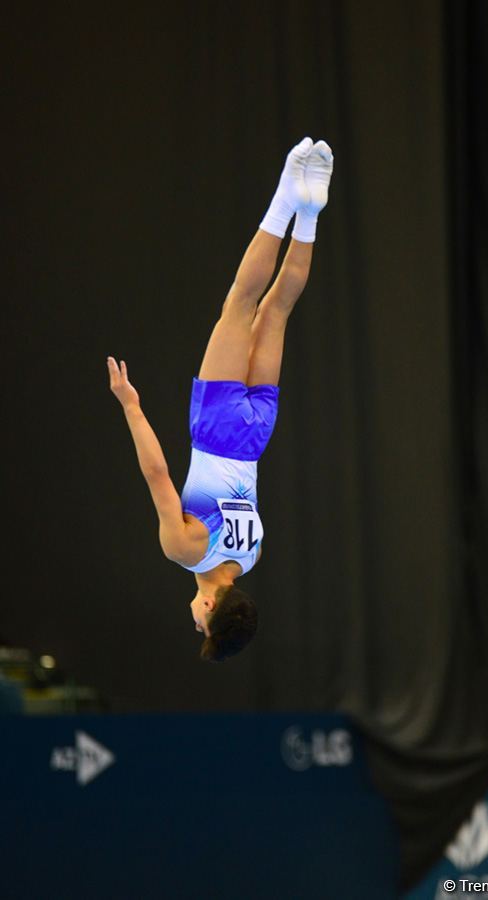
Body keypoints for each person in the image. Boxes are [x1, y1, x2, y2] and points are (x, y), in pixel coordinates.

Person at [107, 137, 334, 662]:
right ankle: (285, 196)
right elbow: (157, 476)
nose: (193, 621)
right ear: (210, 608)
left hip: (257, 435)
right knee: (241, 301)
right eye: (200, 627)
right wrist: (131, 406)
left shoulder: (251, 556)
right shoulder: (186, 552)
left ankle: (309, 212)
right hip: (217, 430)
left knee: (276, 310)